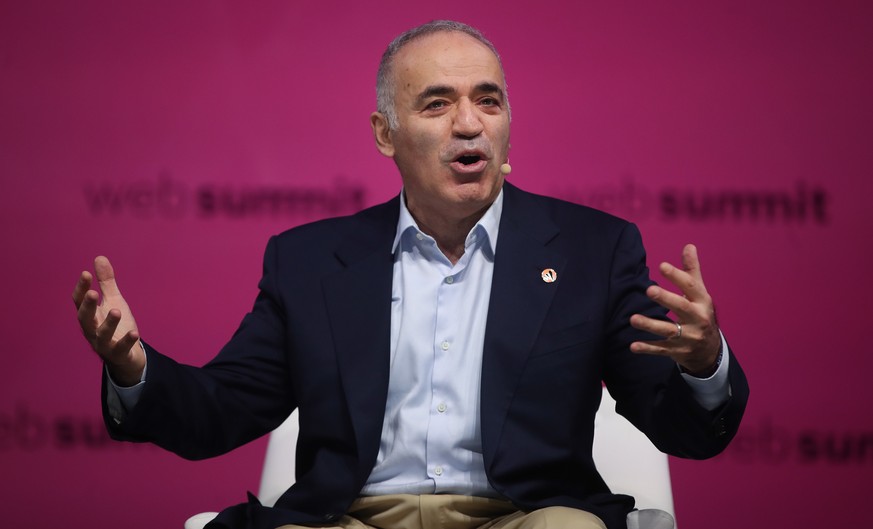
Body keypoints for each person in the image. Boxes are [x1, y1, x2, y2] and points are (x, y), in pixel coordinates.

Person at [72, 20, 748, 529]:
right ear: (384, 133)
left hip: (524, 516)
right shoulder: (310, 262)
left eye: (488, 101)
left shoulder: (590, 250)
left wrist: (703, 364)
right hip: (354, 518)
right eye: (436, 104)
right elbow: (220, 413)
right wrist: (134, 368)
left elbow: (679, 427)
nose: (469, 124)